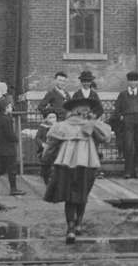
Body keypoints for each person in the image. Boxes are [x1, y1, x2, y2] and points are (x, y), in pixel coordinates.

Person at [41, 97, 113, 243]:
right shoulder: (93, 125)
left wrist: (46, 158)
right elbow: (106, 138)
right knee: (82, 194)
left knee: (69, 197)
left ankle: (71, 228)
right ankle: (78, 223)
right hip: (88, 163)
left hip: (66, 164)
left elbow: (51, 145)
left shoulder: (62, 126)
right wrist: (93, 123)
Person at [113, 71, 138, 178]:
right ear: (128, 82)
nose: (133, 83)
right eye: (131, 81)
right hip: (127, 124)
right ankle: (128, 171)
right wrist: (122, 118)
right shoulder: (123, 95)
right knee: (128, 146)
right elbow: (117, 110)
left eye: (135, 81)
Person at [0, 98, 25, 196]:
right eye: (10, 106)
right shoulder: (7, 119)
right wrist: (16, 139)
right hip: (8, 149)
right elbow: (9, 134)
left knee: (0, 168)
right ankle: (13, 189)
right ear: (6, 108)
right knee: (12, 169)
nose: (11, 108)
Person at [35, 111, 58, 184]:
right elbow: (37, 138)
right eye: (50, 117)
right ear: (46, 119)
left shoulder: (59, 126)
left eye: (54, 117)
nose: (53, 119)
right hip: (45, 150)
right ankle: (46, 178)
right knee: (46, 167)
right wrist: (42, 144)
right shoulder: (42, 127)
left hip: (56, 149)